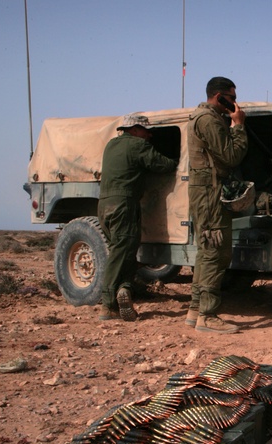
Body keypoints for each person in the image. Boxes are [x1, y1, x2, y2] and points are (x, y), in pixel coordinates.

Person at [97, 113, 177, 321]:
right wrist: (177, 160)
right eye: (145, 131)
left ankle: (124, 289)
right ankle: (109, 304)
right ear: (134, 130)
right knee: (121, 253)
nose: (149, 136)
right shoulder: (138, 146)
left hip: (105, 204)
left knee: (123, 250)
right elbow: (162, 165)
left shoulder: (111, 145)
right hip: (124, 204)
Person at [186, 76, 248, 334]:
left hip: (205, 190)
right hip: (210, 191)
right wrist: (238, 126)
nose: (234, 103)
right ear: (219, 96)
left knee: (205, 249)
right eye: (231, 98)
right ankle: (207, 316)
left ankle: (194, 309)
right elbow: (231, 156)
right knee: (215, 251)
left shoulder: (201, 117)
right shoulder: (209, 120)